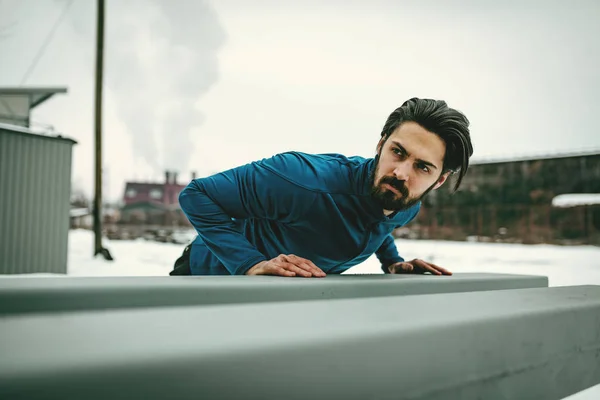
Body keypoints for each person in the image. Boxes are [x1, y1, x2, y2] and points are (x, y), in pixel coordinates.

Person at [170, 97, 473, 277]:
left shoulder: (406, 201)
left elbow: (380, 223)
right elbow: (197, 195)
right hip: (205, 275)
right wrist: (250, 264)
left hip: (274, 304)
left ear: (438, 180)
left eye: (422, 167)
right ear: (380, 145)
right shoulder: (301, 179)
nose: (401, 173)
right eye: (398, 152)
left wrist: (392, 263)